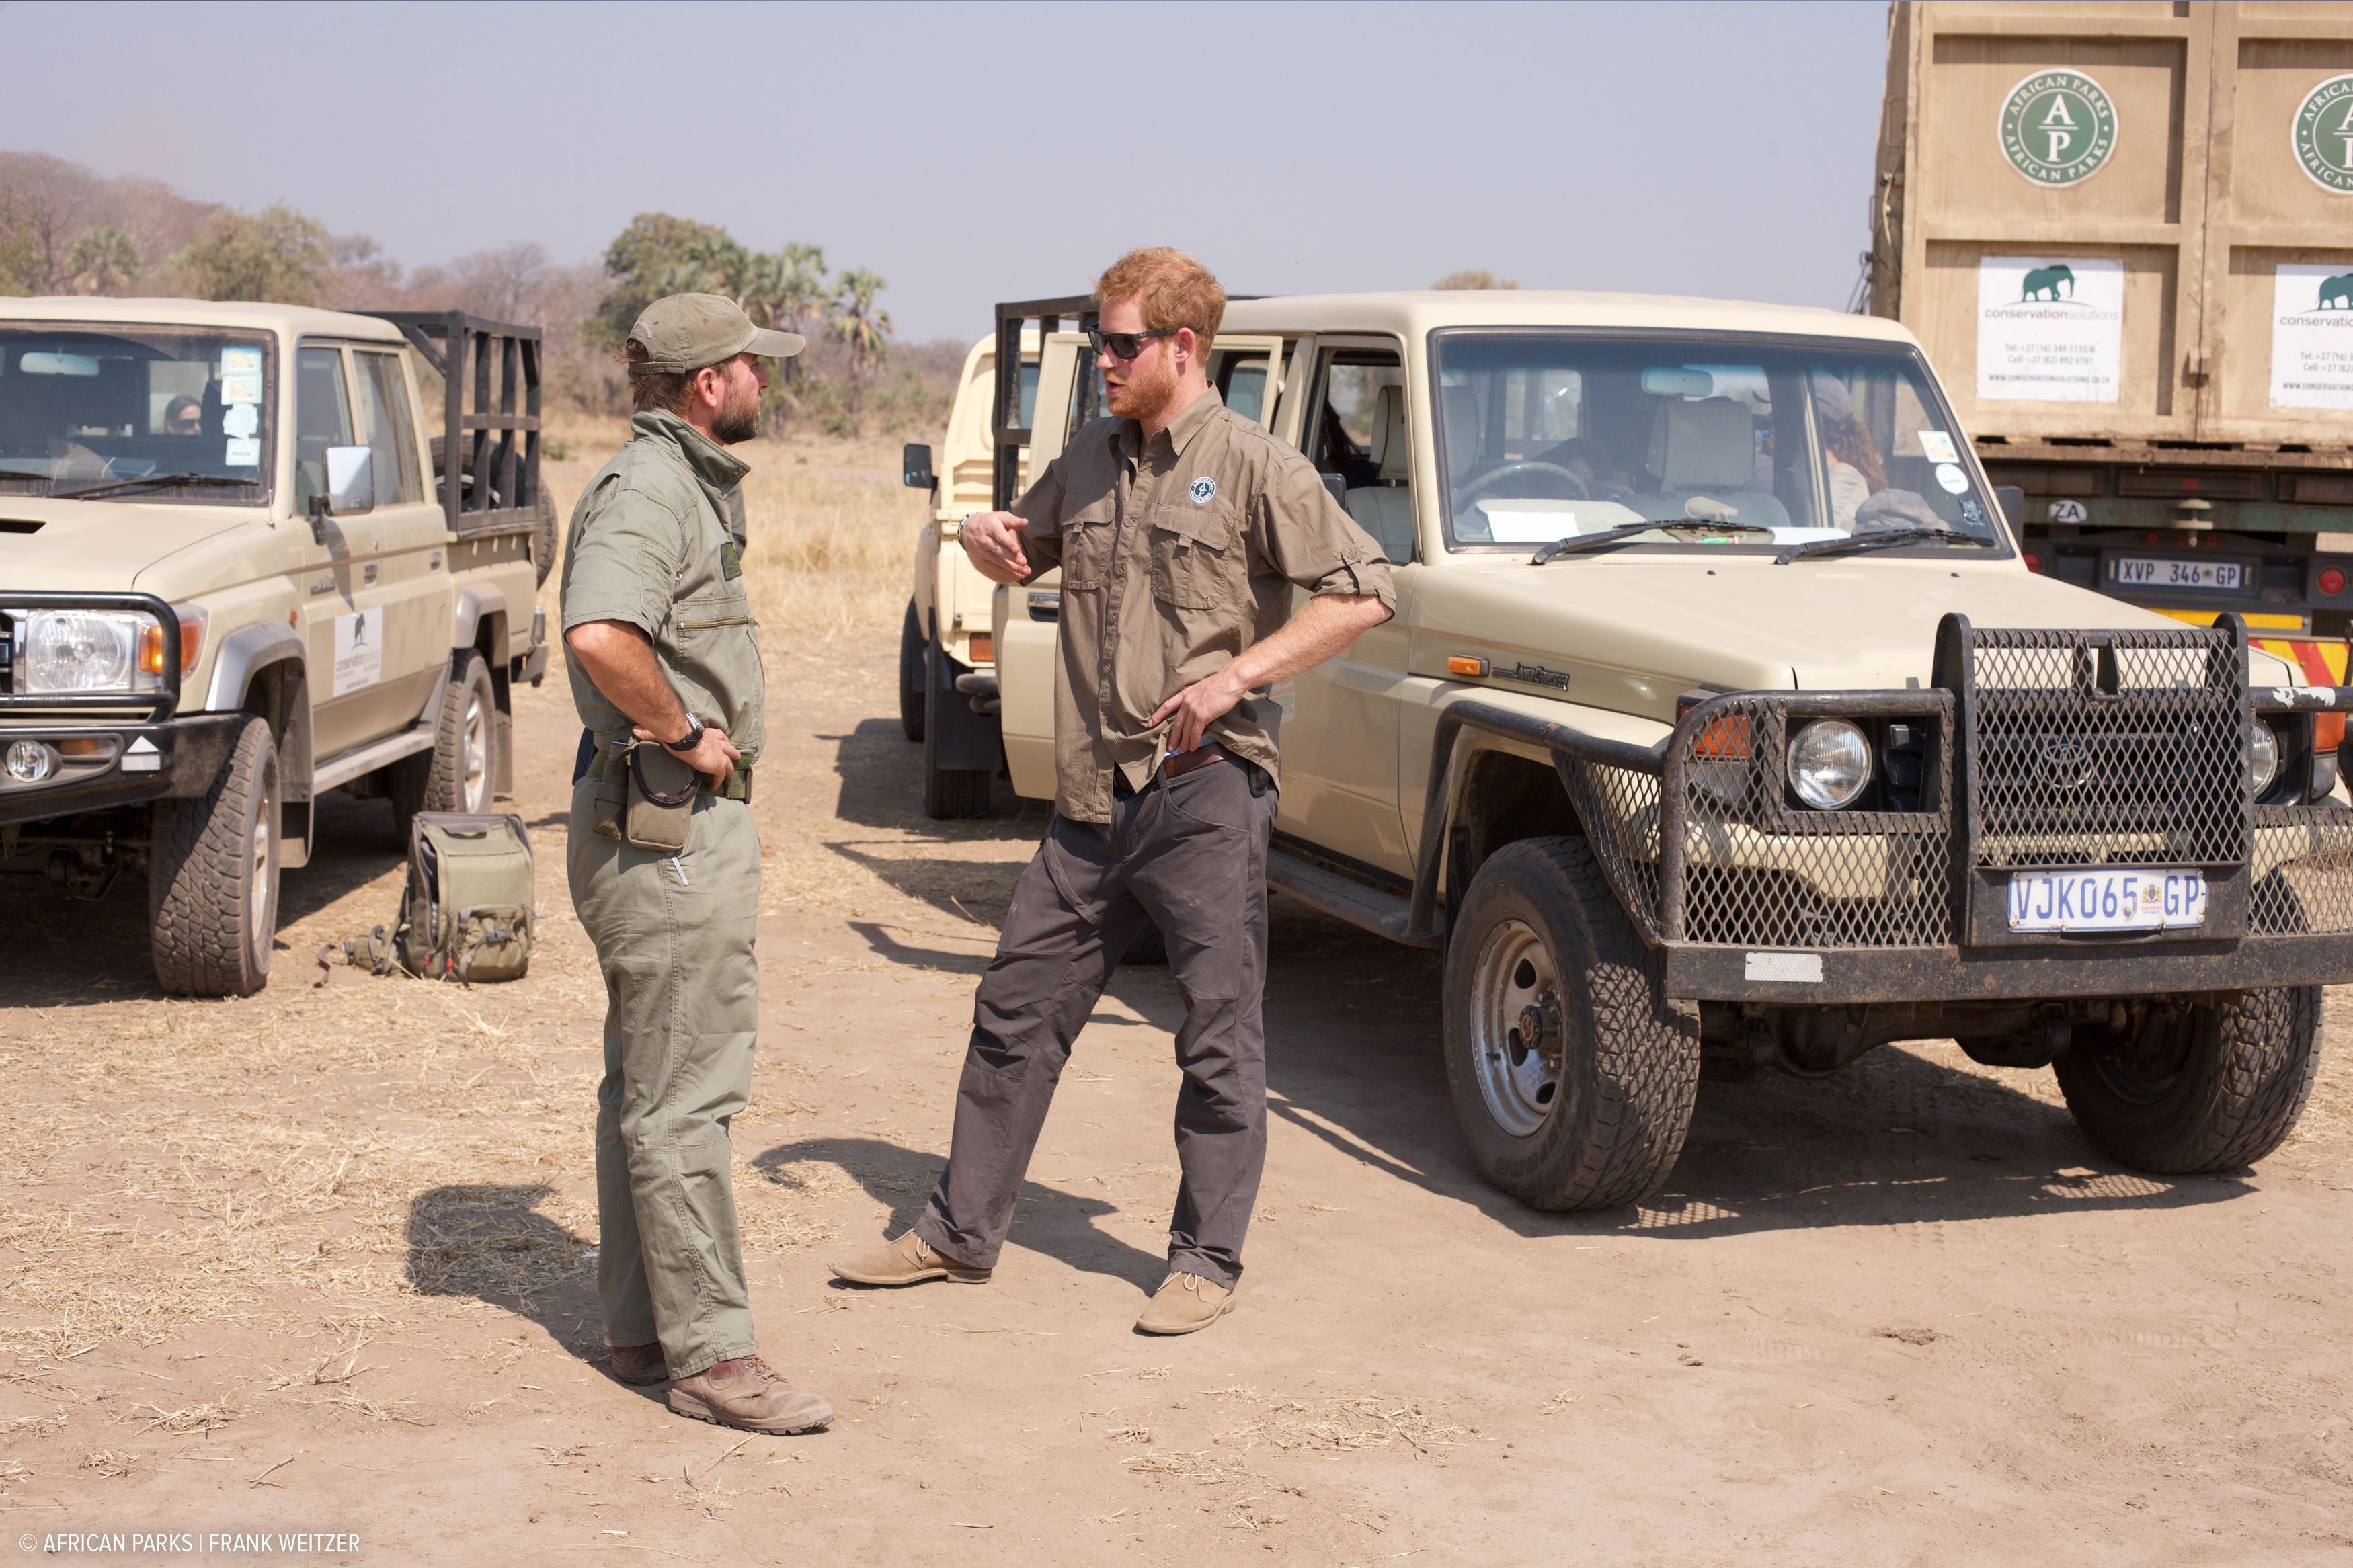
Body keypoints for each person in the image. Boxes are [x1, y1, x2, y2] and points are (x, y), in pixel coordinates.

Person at [831, 247, 1396, 1335]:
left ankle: (1205, 1259)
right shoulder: (1089, 454)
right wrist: (995, 542)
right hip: (1090, 805)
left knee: (1219, 1034)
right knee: (1014, 1012)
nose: (1104, 358)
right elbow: (1026, 554)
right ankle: (958, 1233)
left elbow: (1366, 592)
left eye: (1123, 341)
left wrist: (1236, 677)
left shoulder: (1254, 467)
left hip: (1204, 795)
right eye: (1101, 338)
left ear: (1183, 350)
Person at [560, 293, 831, 1434]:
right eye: (750, 367)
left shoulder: (677, 483)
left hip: (663, 824)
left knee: (648, 1088)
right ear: (706, 384)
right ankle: (716, 1356)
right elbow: (599, 632)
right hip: (667, 823)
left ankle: (641, 1326)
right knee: (686, 1100)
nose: (766, 382)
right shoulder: (652, 489)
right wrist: (680, 730)